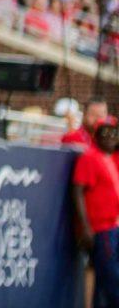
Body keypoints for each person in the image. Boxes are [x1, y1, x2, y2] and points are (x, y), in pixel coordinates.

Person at [73, 118, 119, 307]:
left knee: (102, 283)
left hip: (114, 226)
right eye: (104, 132)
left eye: (113, 133)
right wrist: (85, 226)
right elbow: (77, 191)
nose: (109, 137)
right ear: (96, 135)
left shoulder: (112, 158)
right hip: (101, 229)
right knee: (112, 278)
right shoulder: (90, 157)